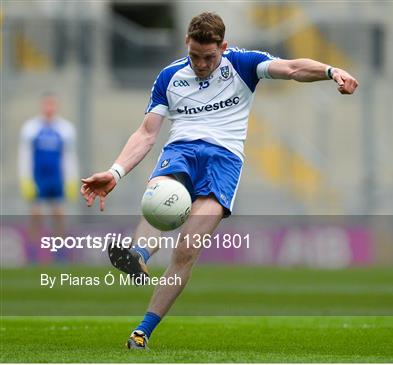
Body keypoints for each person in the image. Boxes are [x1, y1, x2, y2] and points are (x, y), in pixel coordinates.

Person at [80, 12, 358, 350]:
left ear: (222, 47)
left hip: (224, 162)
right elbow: (146, 133)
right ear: (187, 44)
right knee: (159, 199)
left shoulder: (243, 64)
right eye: (195, 55)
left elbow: (292, 69)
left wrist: (331, 71)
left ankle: (143, 330)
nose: (200, 63)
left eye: (208, 57)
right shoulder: (170, 76)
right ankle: (137, 253)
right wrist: (115, 172)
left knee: (186, 249)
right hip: (181, 150)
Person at [19, 92, 78, 260]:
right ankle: (31, 254)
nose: (49, 108)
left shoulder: (65, 129)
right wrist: (26, 179)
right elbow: (25, 156)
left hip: (57, 178)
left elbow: (69, 157)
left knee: (59, 214)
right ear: (42, 106)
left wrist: (71, 180)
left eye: (52, 105)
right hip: (38, 178)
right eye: (47, 104)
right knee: (36, 214)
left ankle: (61, 255)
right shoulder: (31, 128)